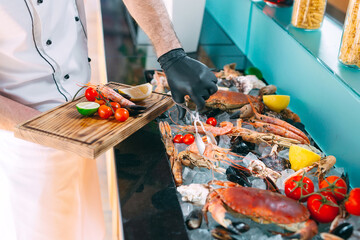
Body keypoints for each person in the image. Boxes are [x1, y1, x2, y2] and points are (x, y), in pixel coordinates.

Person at [0, 0, 217, 239]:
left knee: (86, 227)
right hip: (24, 139)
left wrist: (171, 54)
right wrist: (49, 129)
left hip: (82, 114)